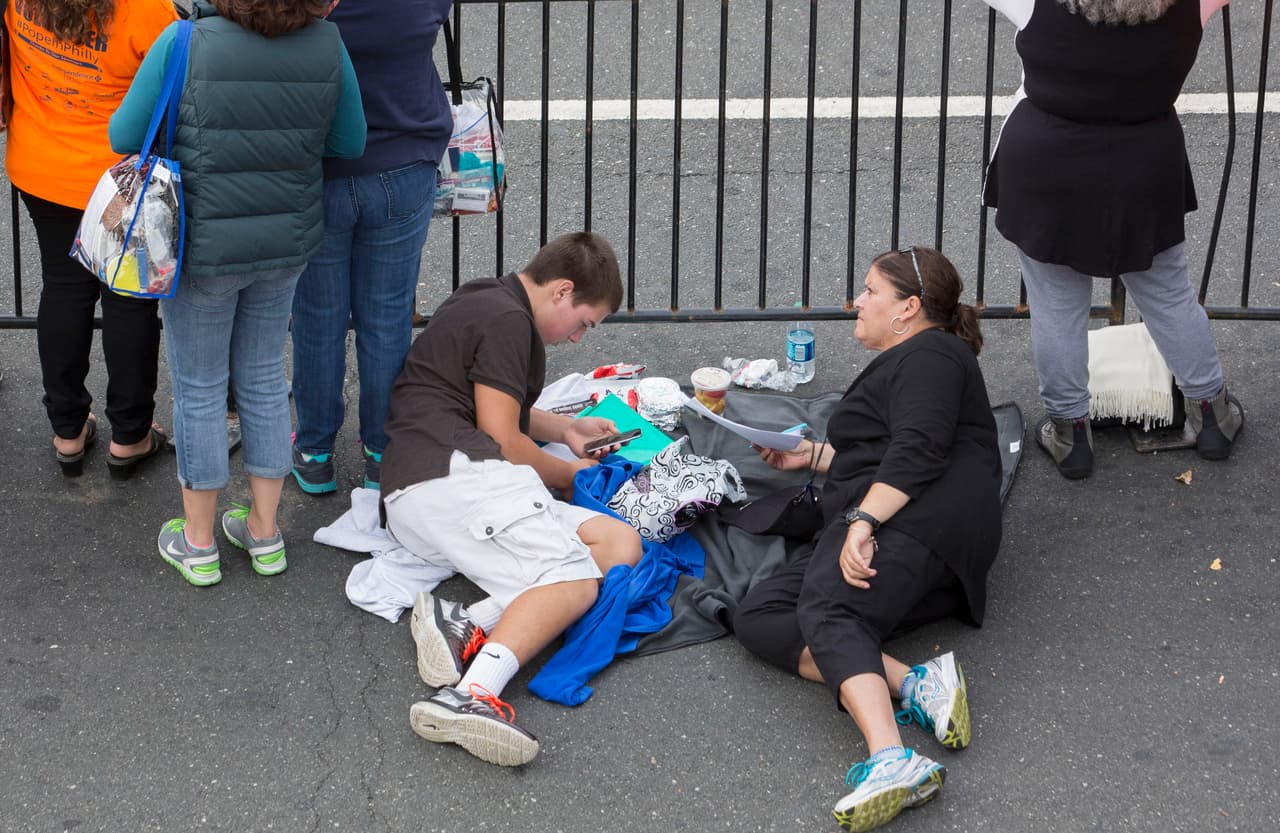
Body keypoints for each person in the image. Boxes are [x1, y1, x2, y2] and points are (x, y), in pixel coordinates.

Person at [733, 248, 1003, 832]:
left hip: (922, 520)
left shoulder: (934, 352)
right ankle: (917, 683)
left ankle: (891, 758)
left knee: (830, 607)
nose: (855, 302)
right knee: (759, 617)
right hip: (909, 522)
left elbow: (920, 448)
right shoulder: (920, 359)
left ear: (908, 308)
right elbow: (885, 449)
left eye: (869, 291)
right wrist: (812, 456)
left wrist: (863, 521)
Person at [109, 0, 366, 586]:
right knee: (265, 380)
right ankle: (264, 533)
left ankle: (198, 543)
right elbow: (349, 141)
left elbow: (123, 133)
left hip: (202, 244)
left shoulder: (184, 41)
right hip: (286, 240)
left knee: (199, 387)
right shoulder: (327, 43)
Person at [381, 232, 643, 767]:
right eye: (584, 323)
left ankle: (467, 622)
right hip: (446, 478)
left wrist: (566, 429)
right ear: (562, 291)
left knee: (619, 542)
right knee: (573, 579)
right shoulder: (508, 322)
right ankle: (471, 694)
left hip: (432, 486)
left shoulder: (490, 297)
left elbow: (488, 405)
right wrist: (570, 477)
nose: (577, 339)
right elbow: (503, 440)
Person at [981, 0, 1240, 479]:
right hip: (1144, 167)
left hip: (1045, 165)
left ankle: (1070, 433)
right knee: (1169, 297)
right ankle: (1211, 415)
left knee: (1057, 308)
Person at [289, 0, 455, 495]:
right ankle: (383, 450)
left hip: (319, 170)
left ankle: (315, 449)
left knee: (318, 316)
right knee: (387, 315)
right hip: (405, 162)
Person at [5, 0, 177, 478]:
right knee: (127, 300)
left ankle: (68, 429)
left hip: (40, 165)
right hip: (118, 180)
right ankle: (131, 435)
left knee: (62, 288)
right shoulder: (147, 9)